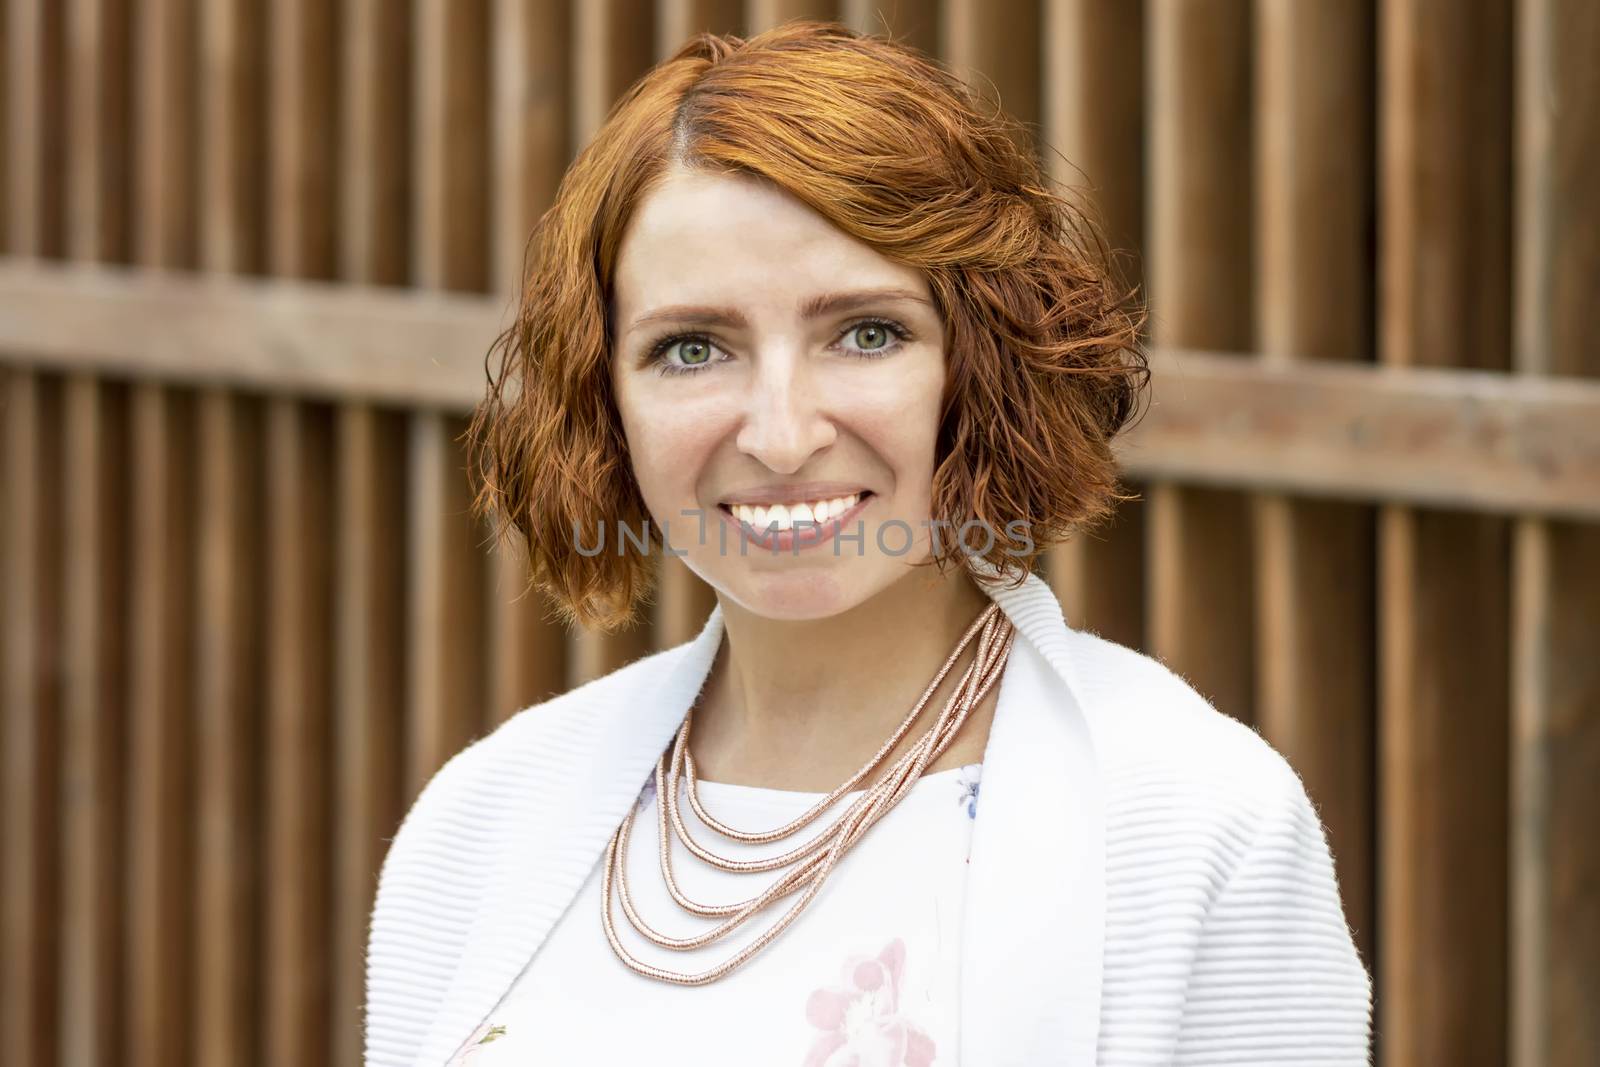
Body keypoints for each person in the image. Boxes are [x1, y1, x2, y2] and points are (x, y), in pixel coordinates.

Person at [364, 21, 1373, 1066]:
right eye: (692, 348)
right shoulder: (486, 819)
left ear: (977, 364)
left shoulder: (1193, 823)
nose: (782, 432)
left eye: (866, 332)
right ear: (603, 394)